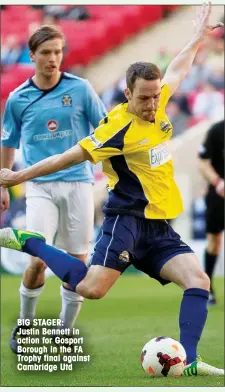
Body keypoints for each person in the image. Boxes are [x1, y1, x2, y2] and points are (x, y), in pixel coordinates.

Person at [0, 4, 224, 376]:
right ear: (127, 93)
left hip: (157, 226)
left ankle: (190, 360)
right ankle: (30, 241)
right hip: (126, 222)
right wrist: (17, 177)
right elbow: (67, 157)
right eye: (144, 98)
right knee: (91, 289)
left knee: (198, 280)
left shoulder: (159, 100)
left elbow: (178, 69)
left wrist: (198, 37)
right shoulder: (116, 127)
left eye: (156, 97)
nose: (152, 104)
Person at [1, 25, 106, 354]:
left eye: (58, 52)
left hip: (78, 183)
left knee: (77, 262)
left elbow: (105, 131)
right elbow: (8, 142)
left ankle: (64, 331)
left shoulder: (81, 89)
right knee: (37, 257)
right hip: (39, 187)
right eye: (46, 52)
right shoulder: (18, 98)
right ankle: (25, 325)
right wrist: (2, 185)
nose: (53, 58)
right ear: (31, 55)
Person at [198, 119, 224, 305]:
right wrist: (218, 182)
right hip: (219, 195)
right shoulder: (217, 130)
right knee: (214, 241)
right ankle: (208, 290)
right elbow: (203, 163)